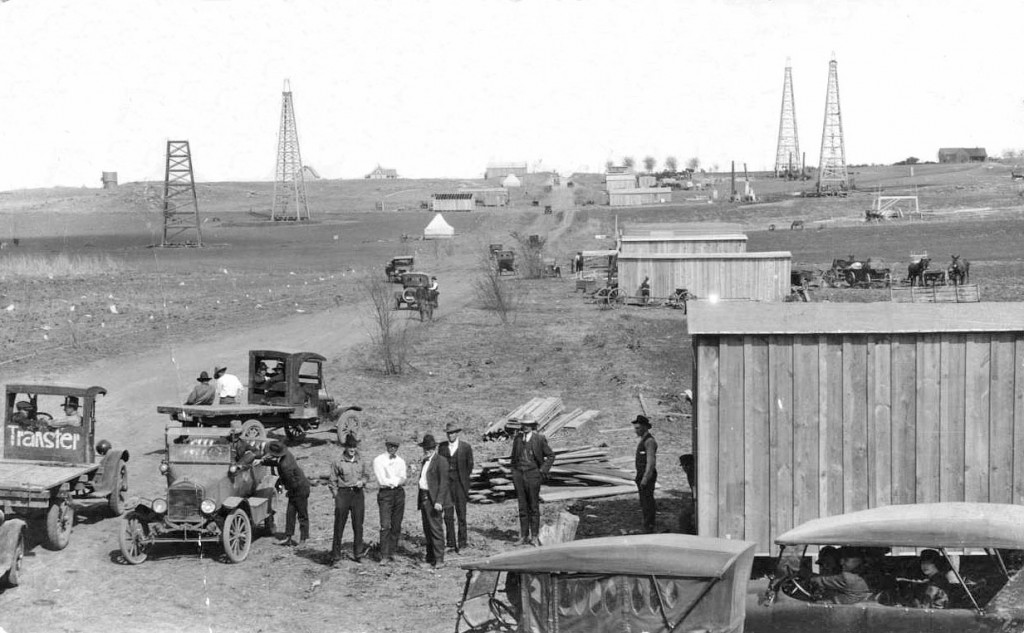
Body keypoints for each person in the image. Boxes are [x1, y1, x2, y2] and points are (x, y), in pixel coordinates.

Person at [510, 416, 555, 545]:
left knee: (533, 507)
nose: (525, 426)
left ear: (533, 426)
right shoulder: (518, 438)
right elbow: (513, 458)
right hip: (519, 475)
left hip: (533, 476)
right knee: (522, 507)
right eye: (523, 424)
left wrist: (542, 471)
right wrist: (514, 472)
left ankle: (534, 536)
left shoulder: (539, 439)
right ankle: (524, 536)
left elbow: (551, 455)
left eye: (528, 424)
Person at [328, 432, 372, 564]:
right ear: (345, 448)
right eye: (350, 447)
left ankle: (358, 554)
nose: (352, 449)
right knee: (339, 526)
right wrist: (337, 497)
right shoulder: (338, 462)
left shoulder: (361, 460)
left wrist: (362, 482)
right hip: (343, 494)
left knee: (358, 525)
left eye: (354, 447)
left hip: (358, 495)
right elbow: (332, 482)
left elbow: (367, 475)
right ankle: (335, 556)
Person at [264, 440, 310, 547]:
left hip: (299, 489)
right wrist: (263, 462)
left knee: (302, 515)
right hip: (295, 488)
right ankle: (288, 537)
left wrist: (289, 492)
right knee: (290, 514)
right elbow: (276, 462)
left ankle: (303, 539)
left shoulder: (285, 465)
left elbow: (292, 482)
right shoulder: (286, 455)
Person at [372, 435, 407, 565]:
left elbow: (403, 478)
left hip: (398, 493)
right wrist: (395, 481)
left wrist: (393, 480)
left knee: (396, 524)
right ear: (386, 446)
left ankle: (392, 551)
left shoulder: (401, 461)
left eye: (395, 446)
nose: (393, 448)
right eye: (391, 445)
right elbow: (382, 480)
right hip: (385, 494)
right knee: (385, 525)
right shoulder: (378, 460)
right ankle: (384, 555)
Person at [440, 419, 474, 553]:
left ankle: (462, 543)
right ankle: (451, 543)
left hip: (460, 485)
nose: (451, 436)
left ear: (457, 433)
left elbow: (469, 466)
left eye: (453, 433)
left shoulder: (465, 447)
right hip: (447, 486)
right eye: (448, 433)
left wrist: (463, 480)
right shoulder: (442, 447)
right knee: (448, 515)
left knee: (461, 515)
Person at [417, 433, 449, 569]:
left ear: (434, 448)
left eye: (430, 448)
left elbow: (444, 483)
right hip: (424, 498)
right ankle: (430, 558)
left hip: (434, 499)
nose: (427, 450)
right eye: (425, 448)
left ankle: (439, 559)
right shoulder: (425, 461)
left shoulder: (441, 461)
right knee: (427, 529)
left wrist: (439, 501)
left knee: (436, 529)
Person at [809, 547, 873, 604]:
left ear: (859, 560)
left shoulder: (847, 578)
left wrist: (807, 576)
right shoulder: (865, 576)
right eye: (822, 564)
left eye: (846, 560)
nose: (841, 563)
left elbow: (817, 580)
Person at [632, 414, 658, 533]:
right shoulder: (643, 440)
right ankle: (647, 523)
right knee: (643, 501)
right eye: (635, 428)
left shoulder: (649, 441)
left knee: (648, 501)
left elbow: (650, 463)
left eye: (638, 428)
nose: (636, 431)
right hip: (641, 475)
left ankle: (649, 526)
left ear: (645, 427)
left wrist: (645, 478)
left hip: (647, 476)